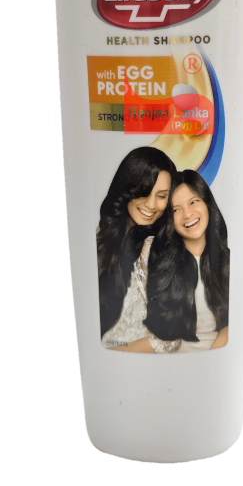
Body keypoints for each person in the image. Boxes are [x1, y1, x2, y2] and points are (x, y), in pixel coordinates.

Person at [96, 147, 177, 350]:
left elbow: (169, 337)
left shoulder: (160, 249)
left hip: (146, 364)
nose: (151, 204)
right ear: (126, 188)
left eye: (161, 196)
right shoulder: (99, 236)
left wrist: (110, 351)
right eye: (144, 191)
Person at [144, 170, 229, 351]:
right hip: (168, 362)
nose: (187, 214)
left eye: (193, 202)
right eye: (176, 209)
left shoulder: (228, 258)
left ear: (207, 203)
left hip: (217, 359)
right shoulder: (159, 261)